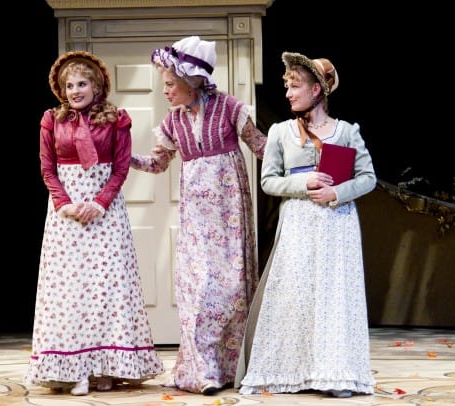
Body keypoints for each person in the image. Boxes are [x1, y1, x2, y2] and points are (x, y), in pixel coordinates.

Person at [130, 36, 267, 395]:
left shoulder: (230, 108)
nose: (166, 92)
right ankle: (201, 370)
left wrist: (303, 160)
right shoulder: (173, 122)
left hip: (230, 214)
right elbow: (159, 162)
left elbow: (262, 147)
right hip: (196, 220)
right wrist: (123, 157)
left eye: (170, 84)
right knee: (198, 291)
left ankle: (230, 369)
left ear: (191, 80)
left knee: (233, 289)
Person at [235, 51, 377, 398]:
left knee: (334, 297)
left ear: (317, 90)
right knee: (294, 296)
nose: (288, 94)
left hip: (336, 224)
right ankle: (291, 370)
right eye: (287, 86)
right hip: (298, 221)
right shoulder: (282, 132)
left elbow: (368, 177)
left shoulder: (346, 132)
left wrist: (336, 192)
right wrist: (304, 184)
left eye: (295, 86)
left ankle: (335, 373)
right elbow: (269, 181)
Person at [25, 51, 164, 396]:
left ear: (97, 85)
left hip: (105, 215)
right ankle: (76, 369)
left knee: (108, 289)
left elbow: (119, 168)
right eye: (69, 85)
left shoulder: (116, 119)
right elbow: (47, 168)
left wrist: (100, 204)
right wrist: (65, 204)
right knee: (70, 292)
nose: (75, 90)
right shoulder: (51, 120)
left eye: (82, 83)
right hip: (66, 217)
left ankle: (108, 368)